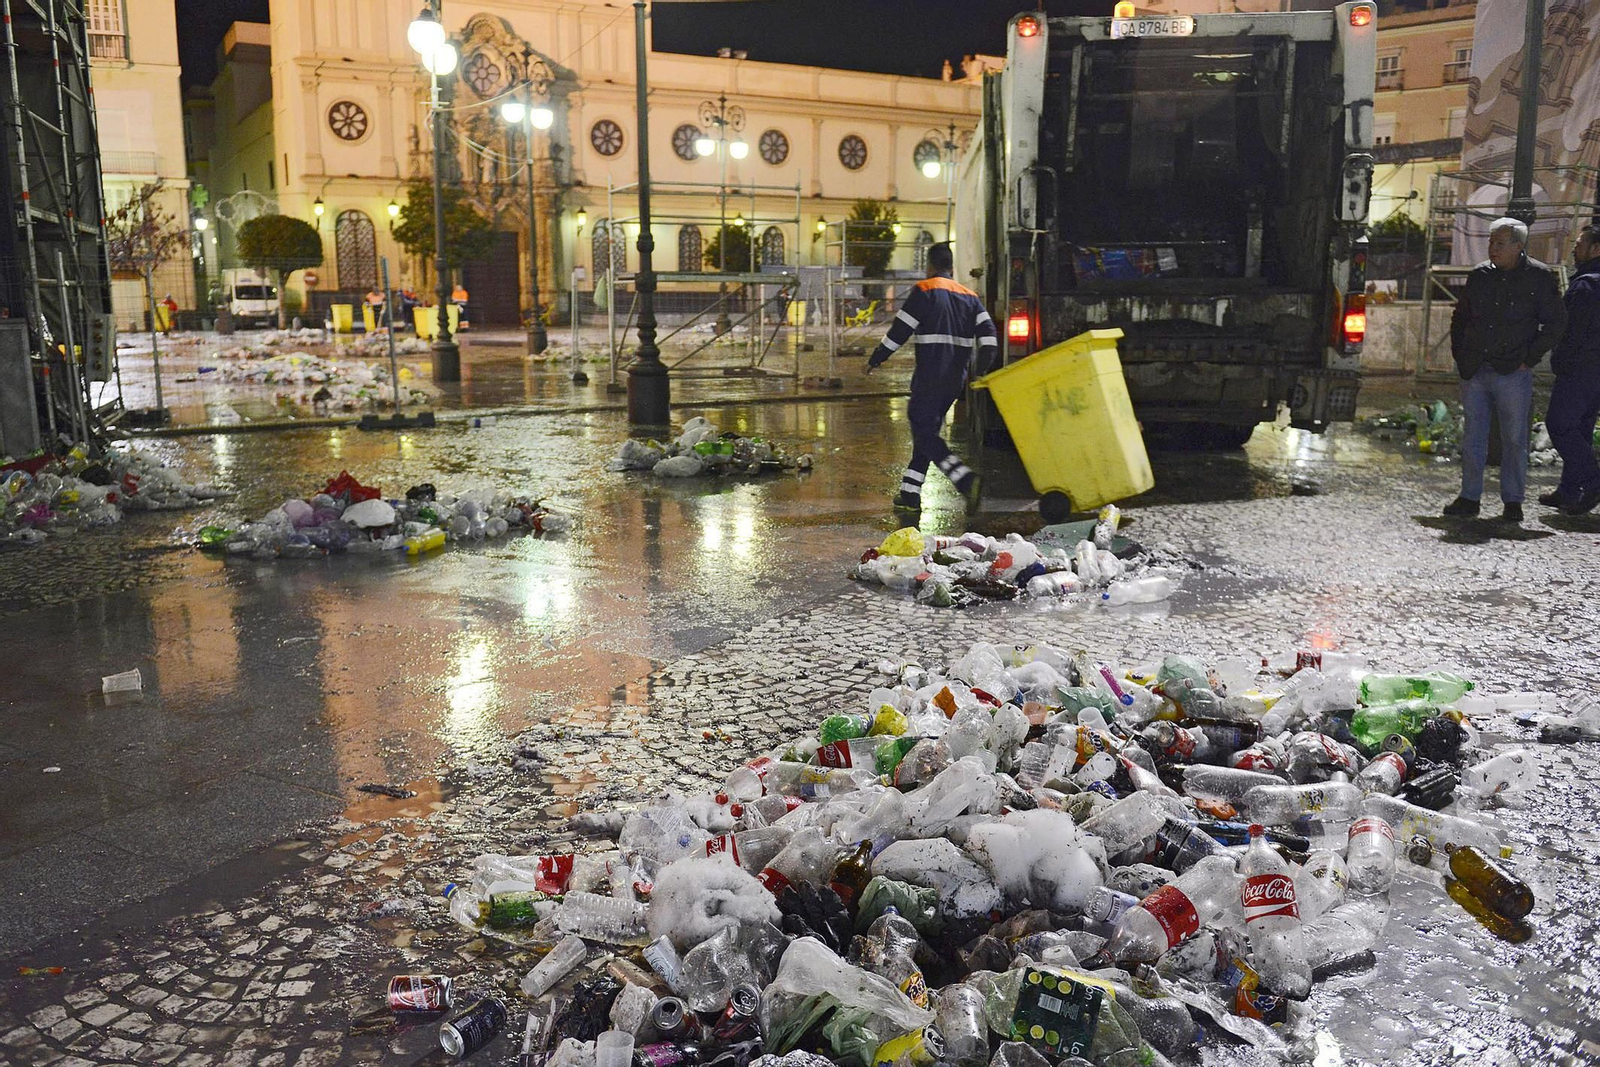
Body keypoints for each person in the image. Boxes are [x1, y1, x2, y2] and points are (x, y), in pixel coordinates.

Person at [1443, 217, 1566, 523]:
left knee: (1514, 438)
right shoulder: (1481, 275)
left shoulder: (1538, 278)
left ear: (1518, 246)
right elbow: (1461, 317)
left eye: (1500, 243)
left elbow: (1556, 321)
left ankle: (1513, 501)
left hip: (1512, 369)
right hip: (1476, 367)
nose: (1492, 248)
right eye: (1491, 242)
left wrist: (1531, 356)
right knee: (1474, 435)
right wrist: (1460, 353)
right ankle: (1469, 496)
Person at [865, 242, 997, 514]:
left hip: (928, 377)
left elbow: (899, 331)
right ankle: (910, 494)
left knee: (924, 432)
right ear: (951, 267)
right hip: (954, 381)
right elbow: (989, 338)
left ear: (930, 265)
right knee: (926, 433)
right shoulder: (970, 296)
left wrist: (876, 358)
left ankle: (964, 479)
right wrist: (981, 370)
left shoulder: (924, 291)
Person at [1541, 222, 1600, 514]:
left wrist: (1560, 360)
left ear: (1595, 248)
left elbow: (1573, 331)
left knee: (1559, 424)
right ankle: (1569, 490)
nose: (1575, 249)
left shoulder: (1587, 284)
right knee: (1582, 427)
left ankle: (1591, 481)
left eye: (1580, 244)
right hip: (1593, 371)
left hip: (1580, 369)